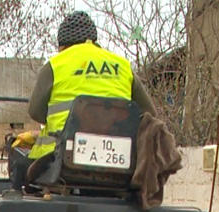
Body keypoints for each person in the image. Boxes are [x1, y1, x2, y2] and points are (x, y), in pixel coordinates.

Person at [10, 11, 157, 189]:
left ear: (63, 45)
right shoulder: (123, 66)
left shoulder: (56, 64)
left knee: (19, 167)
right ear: (94, 41)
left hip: (60, 164)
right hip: (121, 169)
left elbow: (36, 112)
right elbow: (150, 115)